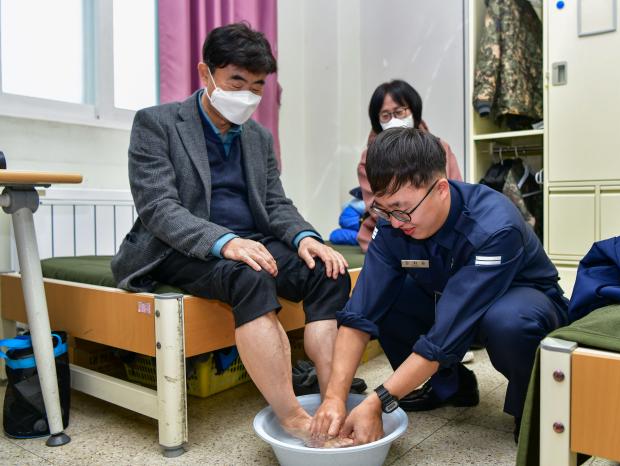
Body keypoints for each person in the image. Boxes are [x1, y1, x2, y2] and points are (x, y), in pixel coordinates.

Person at [111, 23, 352, 443]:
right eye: (236, 82)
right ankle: (292, 415)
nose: (247, 96)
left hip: (250, 240)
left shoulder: (258, 136)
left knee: (326, 268)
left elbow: (275, 203)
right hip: (183, 245)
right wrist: (226, 242)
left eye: (256, 87)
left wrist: (305, 238)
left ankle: (334, 396)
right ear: (206, 75)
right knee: (249, 275)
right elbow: (159, 208)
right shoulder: (157, 124)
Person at [310, 128, 569, 445]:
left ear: (441, 189)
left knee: (508, 321)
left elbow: (447, 333)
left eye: (402, 208)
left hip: (522, 302)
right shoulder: (394, 222)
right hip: (448, 300)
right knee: (391, 299)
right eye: (384, 209)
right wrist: (335, 397)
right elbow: (359, 313)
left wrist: (378, 402)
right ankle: (451, 386)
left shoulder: (494, 225)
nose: (395, 221)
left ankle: (535, 408)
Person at [357, 79, 463, 252]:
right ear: (377, 121)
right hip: (392, 235)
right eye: (385, 115)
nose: (393, 120)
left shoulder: (440, 147)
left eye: (399, 112)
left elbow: (455, 188)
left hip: (441, 229)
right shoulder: (369, 157)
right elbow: (377, 208)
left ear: (413, 111)